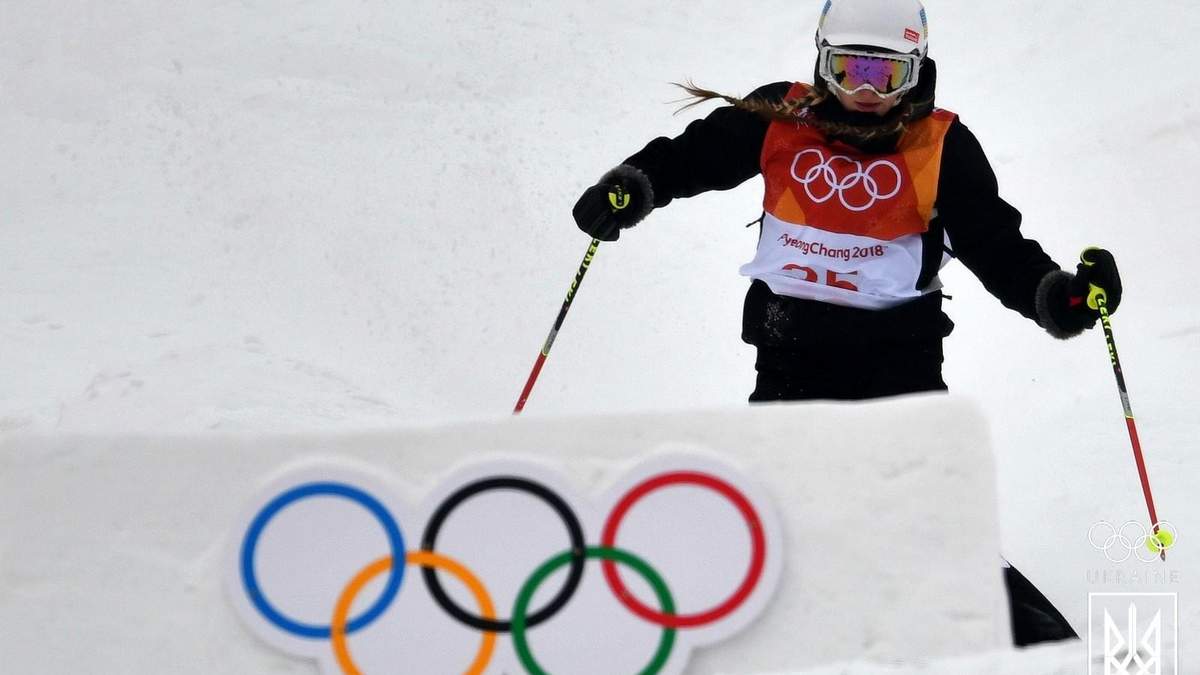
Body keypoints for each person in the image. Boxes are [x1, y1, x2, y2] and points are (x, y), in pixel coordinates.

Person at [571, 0, 1110, 646]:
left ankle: (1040, 647)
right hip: (791, 355)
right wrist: (633, 186)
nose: (865, 92)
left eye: (886, 75)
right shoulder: (782, 116)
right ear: (823, 63)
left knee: (924, 514)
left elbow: (997, 246)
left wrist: (1061, 297)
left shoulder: (940, 145)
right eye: (849, 69)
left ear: (915, 70)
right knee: (778, 513)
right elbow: (695, 157)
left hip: (900, 363)